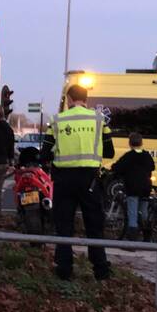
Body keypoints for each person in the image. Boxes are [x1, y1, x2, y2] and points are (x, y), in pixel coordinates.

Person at [50, 84, 115, 281]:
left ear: (69, 99)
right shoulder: (100, 120)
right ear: (86, 99)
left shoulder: (56, 120)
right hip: (90, 181)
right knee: (94, 225)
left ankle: (64, 270)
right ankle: (101, 270)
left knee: (64, 226)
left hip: (64, 180)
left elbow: (45, 152)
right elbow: (110, 152)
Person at [110, 132, 155, 240]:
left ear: (130, 143)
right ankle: (146, 234)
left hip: (133, 187)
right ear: (141, 143)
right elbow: (152, 167)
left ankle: (132, 235)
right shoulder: (146, 155)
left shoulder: (129, 156)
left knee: (132, 211)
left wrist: (114, 171)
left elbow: (117, 167)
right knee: (144, 211)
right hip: (146, 187)